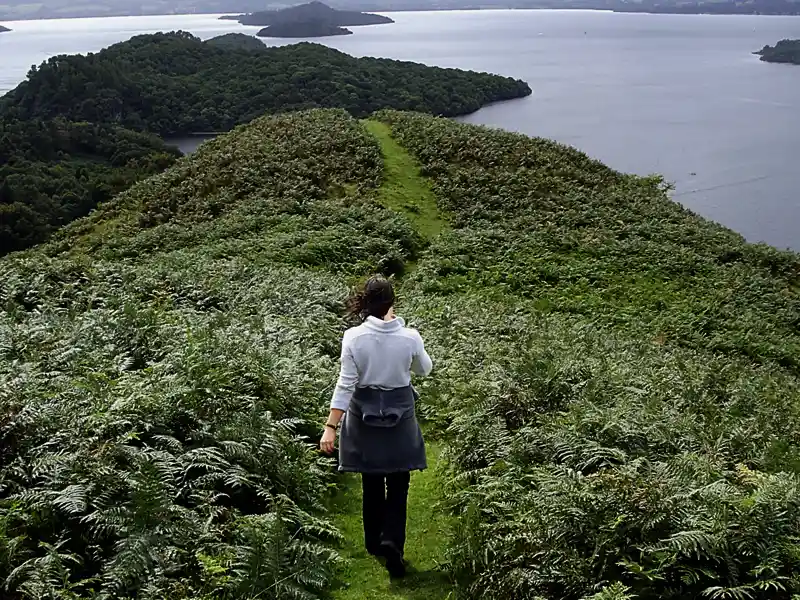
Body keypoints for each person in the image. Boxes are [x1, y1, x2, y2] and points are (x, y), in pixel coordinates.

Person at [320, 275, 433, 579]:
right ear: (392, 303)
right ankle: (392, 540)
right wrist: (404, 332)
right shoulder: (410, 336)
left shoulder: (353, 337)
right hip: (400, 412)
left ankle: (374, 543)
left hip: (363, 413)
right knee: (399, 482)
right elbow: (425, 369)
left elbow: (346, 384)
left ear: (365, 303)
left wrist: (331, 426)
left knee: (371, 480)